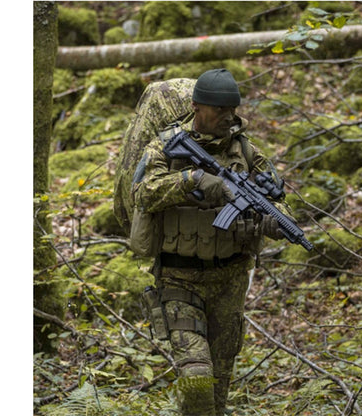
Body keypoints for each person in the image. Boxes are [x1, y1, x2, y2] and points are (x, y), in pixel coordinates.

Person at [132, 68, 285, 416]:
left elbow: (278, 200)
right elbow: (143, 192)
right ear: (196, 106)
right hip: (178, 279)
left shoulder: (246, 152)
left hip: (230, 282)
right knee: (197, 377)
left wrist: (274, 221)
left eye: (233, 109)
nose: (229, 116)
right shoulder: (165, 146)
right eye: (220, 109)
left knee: (218, 388)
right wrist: (193, 180)